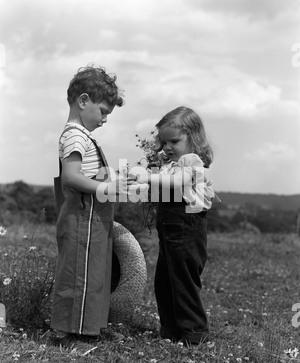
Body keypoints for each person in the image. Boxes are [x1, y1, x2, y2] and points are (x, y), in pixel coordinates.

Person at [50, 65, 134, 347]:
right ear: (83, 101)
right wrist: (105, 188)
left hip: (91, 218)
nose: (105, 119)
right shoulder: (74, 135)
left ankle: (86, 329)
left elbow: (90, 173)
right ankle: (70, 334)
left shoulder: (82, 136)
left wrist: (118, 181)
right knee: (79, 276)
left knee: (93, 272)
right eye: (103, 111)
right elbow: (72, 176)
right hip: (81, 217)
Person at [132, 106, 218, 345]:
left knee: (183, 281)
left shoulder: (191, 161)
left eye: (174, 141)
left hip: (186, 229)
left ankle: (194, 334)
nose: (167, 147)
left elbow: (177, 182)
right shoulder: (172, 164)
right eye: (163, 142)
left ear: (194, 138)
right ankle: (170, 331)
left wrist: (147, 177)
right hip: (170, 232)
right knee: (164, 281)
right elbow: (163, 185)